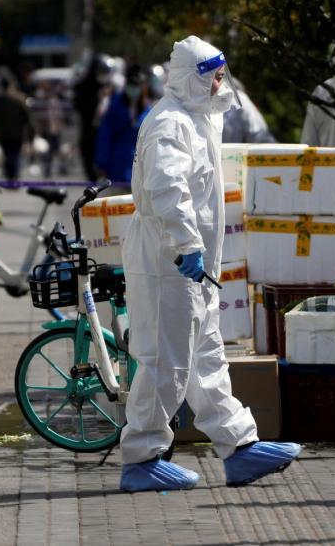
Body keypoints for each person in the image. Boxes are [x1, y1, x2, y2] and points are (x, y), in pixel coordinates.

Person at [120, 36, 301, 492]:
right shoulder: (171, 124)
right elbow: (167, 189)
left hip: (190, 262)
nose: (222, 84)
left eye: (222, 75)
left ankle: (240, 447)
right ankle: (142, 457)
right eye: (214, 77)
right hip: (169, 259)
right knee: (165, 361)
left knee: (204, 358)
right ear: (190, 80)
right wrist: (185, 245)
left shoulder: (198, 120)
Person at [94, 63, 151, 184]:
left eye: (137, 85)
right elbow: (105, 136)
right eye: (131, 84)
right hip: (116, 170)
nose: (133, 88)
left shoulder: (148, 110)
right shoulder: (115, 106)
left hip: (140, 172)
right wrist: (101, 164)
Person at [73, 56, 111, 180]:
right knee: (90, 166)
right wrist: (98, 97)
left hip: (106, 134)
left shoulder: (107, 86)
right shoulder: (83, 87)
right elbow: (81, 107)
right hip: (89, 133)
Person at [0, 73, 32, 181]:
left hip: (3, 132)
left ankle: (10, 175)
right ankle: (14, 175)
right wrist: (31, 132)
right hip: (17, 132)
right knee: (15, 154)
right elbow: (27, 117)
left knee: (7, 154)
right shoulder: (20, 99)